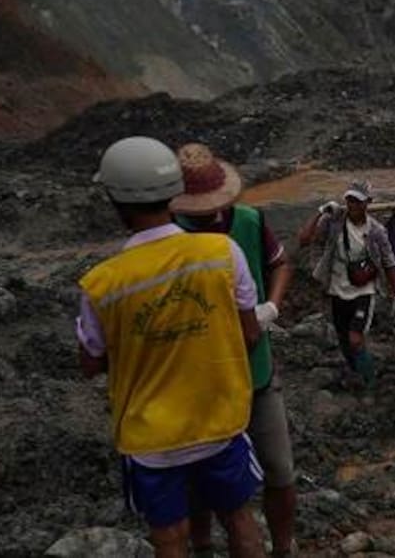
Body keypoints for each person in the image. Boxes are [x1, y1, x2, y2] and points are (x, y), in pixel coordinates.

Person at [74, 137, 266, 558]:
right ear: (173, 192)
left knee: (170, 536)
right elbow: (251, 333)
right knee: (238, 518)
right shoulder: (222, 252)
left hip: (151, 438)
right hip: (219, 421)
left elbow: (91, 361)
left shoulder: (102, 284)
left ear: (115, 201)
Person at [169, 144, 296, 558]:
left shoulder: (248, 221)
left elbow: (280, 263)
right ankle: (204, 545)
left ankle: (283, 547)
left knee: (279, 469)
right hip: (199, 380)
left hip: (255, 371)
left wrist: (271, 307)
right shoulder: (171, 236)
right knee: (198, 477)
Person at [298, 181, 395, 390]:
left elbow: (389, 261)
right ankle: (356, 371)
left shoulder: (376, 231)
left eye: (358, 201)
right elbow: (304, 239)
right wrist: (320, 213)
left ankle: (369, 382)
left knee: (356, 338)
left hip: (363, 292)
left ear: (368, 203)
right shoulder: (334, 222)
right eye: (350, 200)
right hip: (337, 289)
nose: (353, 205)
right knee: (344, 339)